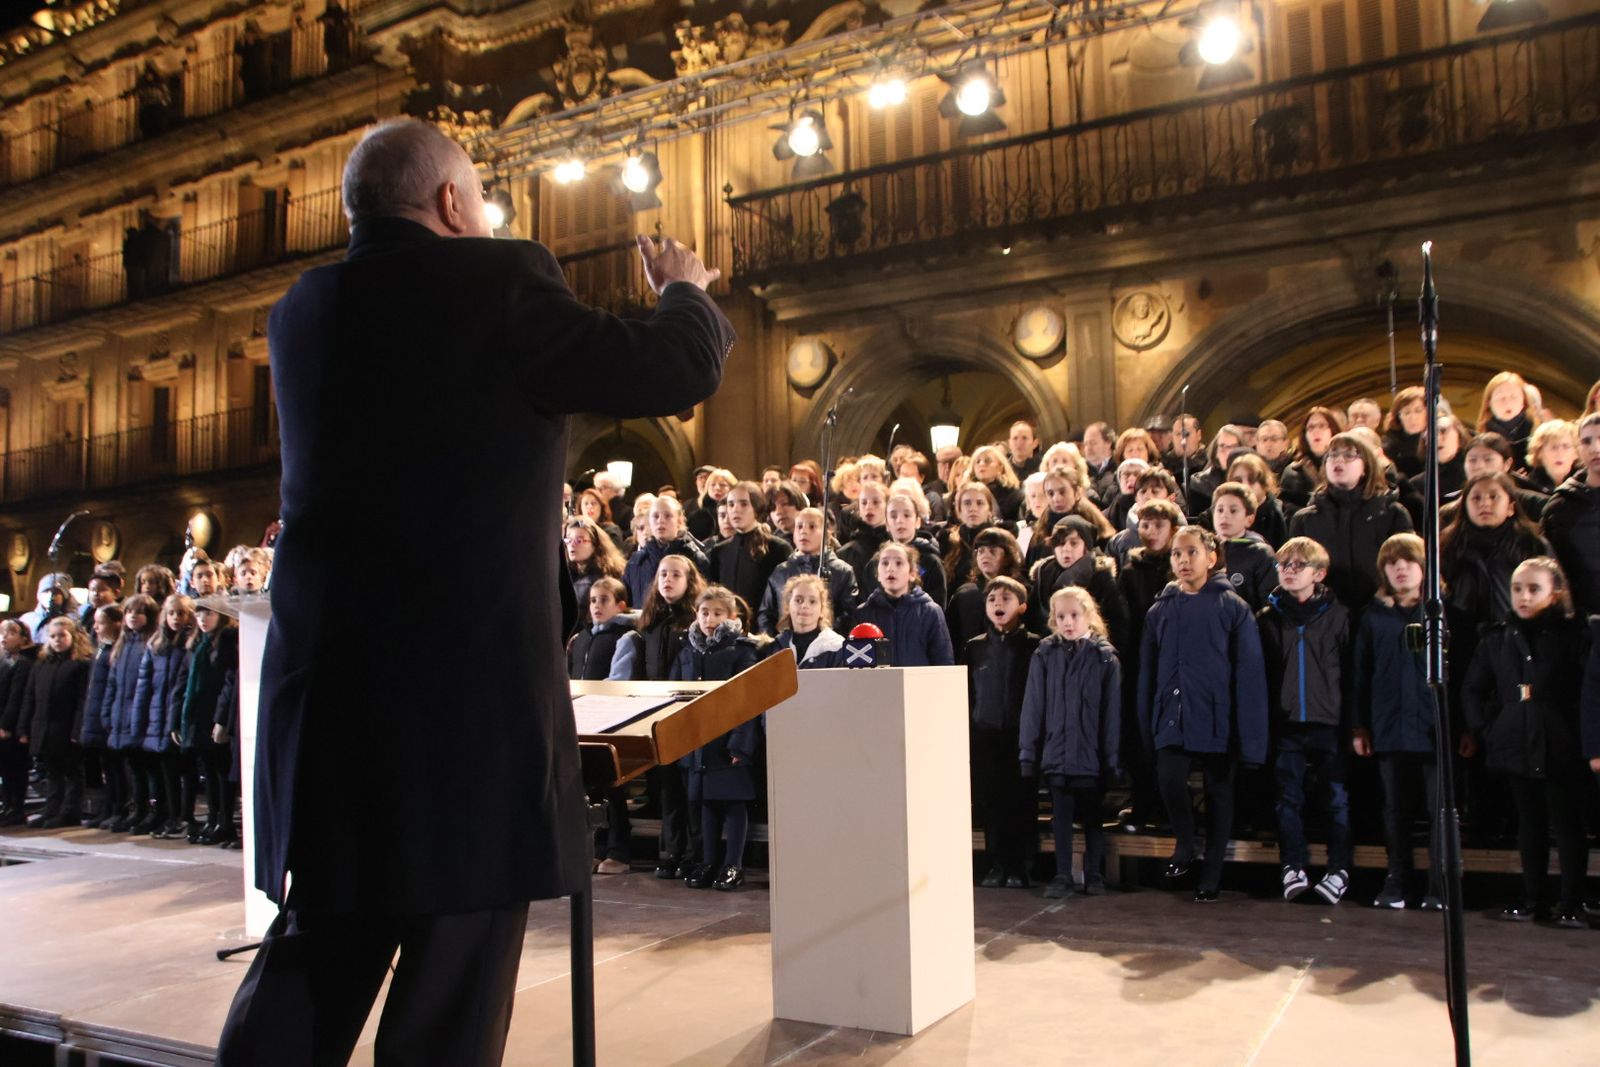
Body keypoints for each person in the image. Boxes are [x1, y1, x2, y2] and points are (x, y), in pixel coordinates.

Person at [218, 117, 732, 1066]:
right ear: (452, 202)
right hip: (461, 731)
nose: (489, 212)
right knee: (448, 1001)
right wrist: (686, 294)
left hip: (329, 716)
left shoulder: (301, 311)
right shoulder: (496, 281)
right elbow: (672, 367)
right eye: (481, 195)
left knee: (310, 970)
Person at [1140, 526, 1269, 901]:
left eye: (1191, 553)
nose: (1183, 560)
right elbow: (1148, 673)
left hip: (1217, 716)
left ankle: (1211, 873)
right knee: (1170, 778)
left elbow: (1249, 675)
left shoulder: (1232, 607)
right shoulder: (1160, 609)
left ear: (1211, 558)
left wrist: (1252, 741)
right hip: (1172, 712)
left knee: (1219, 793)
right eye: (1177, 554)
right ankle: (1184, 841)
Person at [1463, 557, 1593, 927]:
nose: (1523, 596)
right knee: (1529, 822)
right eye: (1518, 588)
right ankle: (1532, 897)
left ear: (1556, 593)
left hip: (1561, 742)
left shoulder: (1575, 635)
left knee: (1566, 824)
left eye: (1534, 588)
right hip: (1515, 740)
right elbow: (1473, 688)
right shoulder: (1498, 637)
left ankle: (1572, 902)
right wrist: (1489, 729)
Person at [1353, 534, 1450, 909]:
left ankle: (1439, 884)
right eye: (1392, 563)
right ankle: (1397, 879)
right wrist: (1359, 725)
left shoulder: (1441, 613)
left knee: (1438, 809)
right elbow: (1360, 674)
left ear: (1424, 567)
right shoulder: (1373, 616)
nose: (1400, 568)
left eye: (1408, 561)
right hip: (1389, 727)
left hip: (1433, 728)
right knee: (1395, 809)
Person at [1257, 538, 1353, 904]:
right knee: (1287, 798)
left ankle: (1339, 867)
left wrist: (1351, 721)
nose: (1289, 571)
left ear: (1319, 573)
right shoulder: (1267, 616)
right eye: (1284, 565)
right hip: (1286, 724)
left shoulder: (1339, 616)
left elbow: (1350, 671)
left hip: (1328, 721)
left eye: (1299, 565)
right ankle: (1292, 864)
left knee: (1336, 799)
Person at [1020, 585, 1121, 900]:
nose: (1067, 622)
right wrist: (1028, 753)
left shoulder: (1105, 658)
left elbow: (1112, 713)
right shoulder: (1045, 654)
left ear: (1088, 616)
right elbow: (1033, 706)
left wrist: (1112, 758)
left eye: (1074, 615)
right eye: (1061, 616)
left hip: (1091, 756)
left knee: (1092, 817)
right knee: (1060, 818)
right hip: (1057, 754)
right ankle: (1062, 874)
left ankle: (1094, 874)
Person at [671, 586, 762, 891]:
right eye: (705, 612)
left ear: (732, 616)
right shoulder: (687, 651)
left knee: (733, 805)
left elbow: (749, 699)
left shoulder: (741, 651)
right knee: (706, 805)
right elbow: (675, 695)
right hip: (698, 742)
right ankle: (709, 862)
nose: (710, 619)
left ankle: (733, 864)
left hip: (728, 741)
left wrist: (740, 743)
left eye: (718, 613)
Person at [963, 575, 1041, 890]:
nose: (998, 604)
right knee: (991, 804)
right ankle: (995, 863)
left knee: (1020, 803)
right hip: (986, 737)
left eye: (1006, 599)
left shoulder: (1035, 645)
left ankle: (1020, 866)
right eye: (993, 599)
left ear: (1021, 606)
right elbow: (967, 693)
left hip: (1021, 737)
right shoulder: (975, 647)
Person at [1289, 432, 1413, 611]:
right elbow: (1295, 568)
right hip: (1323, 616)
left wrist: (1389, 592)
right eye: (1332, 455)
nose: (1338, 460)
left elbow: (1407, 565)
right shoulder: (1305, 519)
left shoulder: (1392, 514)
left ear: (1365, 467)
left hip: (1379, 612)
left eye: (1349, 455)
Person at [12, 617, 94, 828]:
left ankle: (70, 811)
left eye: (63, 636)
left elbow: (82, 700)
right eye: (53, 636)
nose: (57, 640)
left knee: (72, 772)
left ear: (73, 638)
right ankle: (52, 808)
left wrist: (78, 728)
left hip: (66, 726)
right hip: (43, 726)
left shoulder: (80, 665)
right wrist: (24, 727)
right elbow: (30, 697)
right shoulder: (41, 664)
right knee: (52, 771)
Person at [133, 593, 197, 840]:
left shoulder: (190, 643)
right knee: (166, 769)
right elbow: (145, 684)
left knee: (186, 768)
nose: (176, 618)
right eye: (171, 613)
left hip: (180, 712)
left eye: (181, 613)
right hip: (158, 713)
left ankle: (186, 816)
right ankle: (170, 815)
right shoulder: (156, 644)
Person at [180, 604, 238, 845]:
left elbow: (228, 683)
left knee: (222, 773)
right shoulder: (198, 645)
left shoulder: (227, 642)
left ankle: (225, 823)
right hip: (200, 717)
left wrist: (221, 720)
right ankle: (213, 819)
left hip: (216, 715)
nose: (203, 619)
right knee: (210, 773)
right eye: (199, 614)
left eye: (209, 613)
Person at [100, 595, 158, 833]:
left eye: (140, 612)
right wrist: (108, 712)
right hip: (121, 715)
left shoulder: (151, 644)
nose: (133, 616)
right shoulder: (122, 646)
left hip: (141, 717)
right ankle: (137, 809)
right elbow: (113, 684)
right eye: (129, 612)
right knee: (133, 768)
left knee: (147, 770)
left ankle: (152, 810)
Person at [854, 542, 955, 666]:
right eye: (885, 563)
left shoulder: (930, 612)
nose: (890, 568)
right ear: (878, 575)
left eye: (898, 563)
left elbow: (943, 662)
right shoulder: (864, 612)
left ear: (912, 573)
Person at [1540, 412, 1600, 617]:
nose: (1595, 448)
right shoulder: (1560, 506)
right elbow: (1552, 570)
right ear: (1578, 449)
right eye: (1587, 441)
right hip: (1582, 626)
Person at [78, 603, 124, 828]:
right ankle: (108, 807)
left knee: (117, 768)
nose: (95, 627)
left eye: (101, 622)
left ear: (116, 623)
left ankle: (119, 808)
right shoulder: (100, 648)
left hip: (111, 716)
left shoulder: (118, 649)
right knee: (108, 768)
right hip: (98, 715)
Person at [1209, 482, 1277, 611]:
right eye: (1220, 510)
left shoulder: (1260, 552)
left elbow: (1269, 601)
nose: (1225, 515)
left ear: (1249, 519)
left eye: (1233, 510)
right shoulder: (1205, 548)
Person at [0, 620, 39, 826]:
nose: (5, 637)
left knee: (16, 768)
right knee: (5, 769)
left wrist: (5, 726)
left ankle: (16, 807)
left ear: (24, 639)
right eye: (2, 633)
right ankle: (7, 805)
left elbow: (16, 697)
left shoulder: (23, 663)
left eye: (11, 633)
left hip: (14, 727)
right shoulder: (4, 661)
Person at [765, 574, 846, 669]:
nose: (804, 606)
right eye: (798, 600)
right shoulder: (777, 647)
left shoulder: (836, 647)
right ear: (788, 607)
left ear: (822, 610)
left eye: (812, 601)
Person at [1279, 406, 1345, 510]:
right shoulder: (1293, 471)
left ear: (1333, 430)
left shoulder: (1345, 465)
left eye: (1322, 426)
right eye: (1311, 427)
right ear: (1305, 434)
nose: (1316, 431)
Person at [1476, 371, 1537, 468]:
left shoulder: (1536, 431)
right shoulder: (1482, 437)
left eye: (1514, 397)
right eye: (1501, 398)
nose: (1508, 403)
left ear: (1524, 401)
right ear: (1489, 402)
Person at [1382, 387, 1428, 481]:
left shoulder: (1437, 439)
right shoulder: (1389, 442)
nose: (1413, 418)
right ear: (1399, 416)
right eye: (1407, 413)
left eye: (1418, 411)